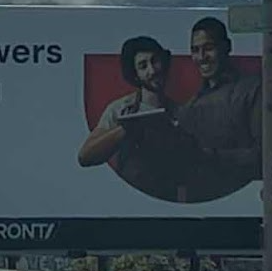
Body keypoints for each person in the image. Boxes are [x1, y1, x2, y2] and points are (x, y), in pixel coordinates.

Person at [77, 36, 197, 201]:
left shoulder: (182, 113)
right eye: (143, 66)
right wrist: (125, 128)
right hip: (127, 201)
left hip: (166, 201)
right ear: (135, 75)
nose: (152, 70)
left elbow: (190, 171)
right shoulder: (118, 110)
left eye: (155, 61)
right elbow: (85, 156)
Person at [175, 16, 262, 200]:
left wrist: (211, 156)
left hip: (243, 205)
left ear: (227, 47)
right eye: (195, 50)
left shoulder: (252, 89)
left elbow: (264, 155)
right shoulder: (188, 108)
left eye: (208, 48)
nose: (201, 58)